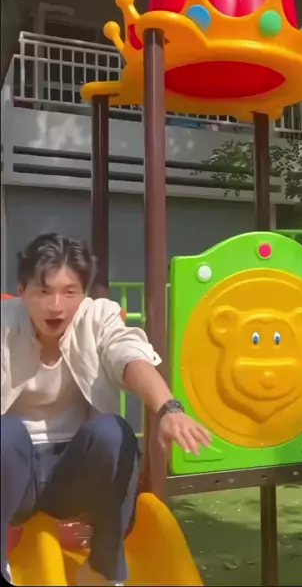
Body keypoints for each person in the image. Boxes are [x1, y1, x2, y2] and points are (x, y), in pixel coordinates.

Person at [1, 233, 211, 586]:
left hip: (73, 475)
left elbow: (128, 355)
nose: (56, 306)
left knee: (114, 432)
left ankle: (101, 568)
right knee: (5, 433)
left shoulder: (97, 318)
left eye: (69, 292)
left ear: (83, 293)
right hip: (13, 476)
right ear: (22, 292)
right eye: (43, 291)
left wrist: (169, 409)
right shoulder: (5, 322)